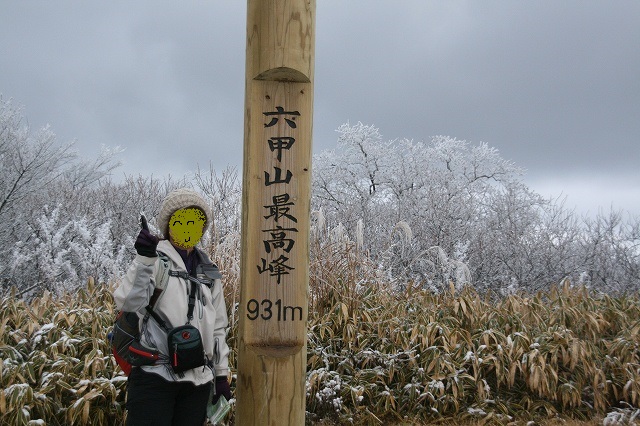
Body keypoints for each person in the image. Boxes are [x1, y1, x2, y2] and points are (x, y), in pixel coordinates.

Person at [113, 188, 231, 426]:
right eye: (182, 219)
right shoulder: (155, 260)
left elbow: (218, 327)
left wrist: (220, 375)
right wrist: (144, 260)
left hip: (197, 381)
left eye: (196, 221)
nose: (189, 226)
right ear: (169, 225)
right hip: (154, 376)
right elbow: (128, 302)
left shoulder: (209, 270)